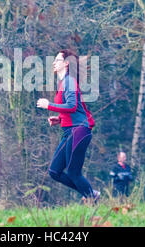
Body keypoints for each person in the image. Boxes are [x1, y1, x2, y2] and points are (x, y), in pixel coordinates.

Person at [36, 49, 99, 202]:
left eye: (57, 60)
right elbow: (72, 109)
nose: (53, 62)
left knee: (73, 172)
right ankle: (91, 194)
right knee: (54, 171)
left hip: (78, 130)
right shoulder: (64, 83)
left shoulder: (69, 81)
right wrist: (59, 119)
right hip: (70, 130)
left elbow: (71, 105)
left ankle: (92, 197)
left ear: (66, 63)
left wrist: (48, 105)